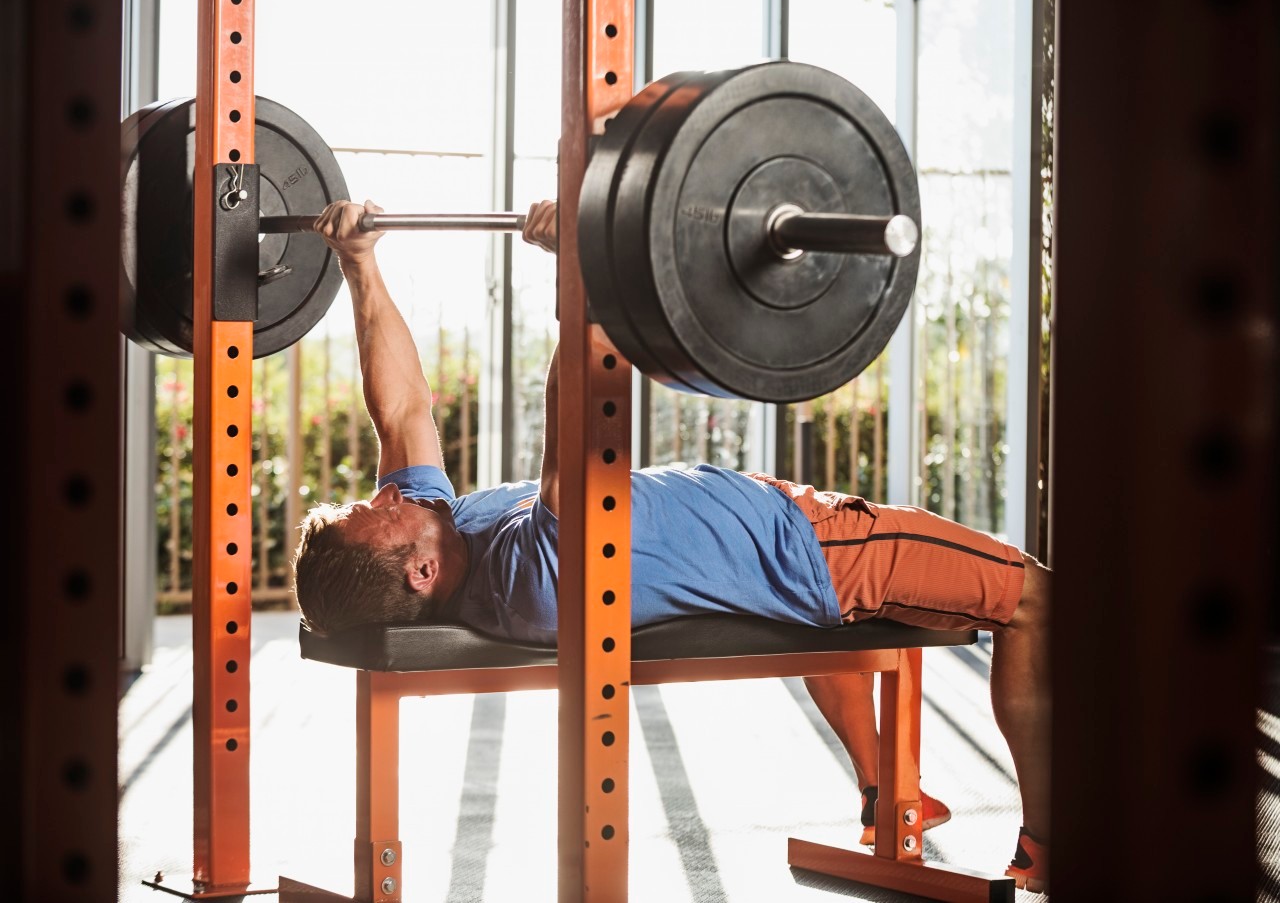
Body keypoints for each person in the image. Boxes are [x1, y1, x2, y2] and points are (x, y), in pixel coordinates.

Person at [293, 199, 1051, 893]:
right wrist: (581, 274)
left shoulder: (441, 536)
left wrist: (359, 264)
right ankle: (1049, 844)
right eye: (379, 510)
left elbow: (400, 411)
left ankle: (887, 792)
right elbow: (575, 425)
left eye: (375, 494)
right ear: (421, 571)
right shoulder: (532, 580)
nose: (389, 492)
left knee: (851, 638)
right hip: (815, 548)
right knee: (1036, 599)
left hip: (769, 535)